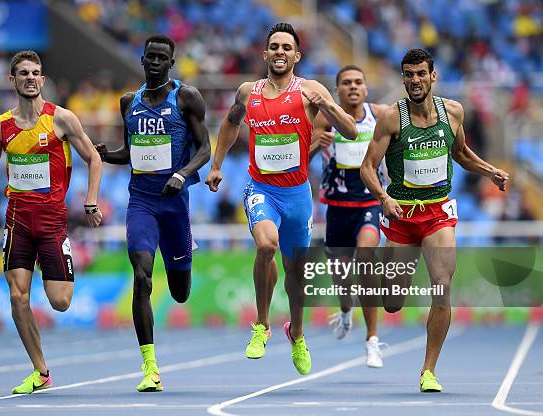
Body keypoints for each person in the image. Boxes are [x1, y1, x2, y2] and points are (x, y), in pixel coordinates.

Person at [205, 23, 357, 375]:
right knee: (265, 246)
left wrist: (327, 107)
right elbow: (229, 123)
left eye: (286, 47)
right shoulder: (248, 91)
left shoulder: (310, 90)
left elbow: (349, 129)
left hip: (298, 195)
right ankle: (261, 324)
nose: (279, 52)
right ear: (265, 53)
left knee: (296, 272)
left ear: (296, 56)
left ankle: (298, 334)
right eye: (274, 46)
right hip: (261, 189)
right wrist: (216, 165)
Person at [360, 48, 509, 392]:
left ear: (433, 76)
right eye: (408, 75)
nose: (414, 80)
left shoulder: (453, 112)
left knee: (442, 286)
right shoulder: (391, 118)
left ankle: (428, 370)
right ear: (403, 78)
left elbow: (459, 154)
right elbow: (367, 166)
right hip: (401, 215)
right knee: (393, 302)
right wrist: (384, 198)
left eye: (420, 74)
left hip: (437, 213)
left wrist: (489, 171)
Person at [0, 50, 103, 394]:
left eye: (36, 73)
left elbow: (94, 158)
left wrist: (90, 200)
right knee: (18, 298)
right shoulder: (1, 125)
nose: (30, 77)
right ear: (12, 80)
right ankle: (40, 371)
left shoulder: (62, 119)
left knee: (60, 301)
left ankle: (51, 263)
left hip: (53, 222)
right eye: (23, 73)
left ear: (43, 80)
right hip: (16, 221)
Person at [95, 34, 210, 392]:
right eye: (150, 57)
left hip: (175, 205)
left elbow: (206, 148)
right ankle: (150, 367)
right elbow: (130, 154)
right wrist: (103, 153)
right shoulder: (129, 102)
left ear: (171, 64)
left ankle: (182, 255)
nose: (155, 62)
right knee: (142, 276)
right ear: (142, 60)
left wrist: (182, 174)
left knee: (179, 292)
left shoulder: (186, 97)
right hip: (141, 203)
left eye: (162, 57)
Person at [310, 65, 389, 368]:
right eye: (346, 83)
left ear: (366, 89)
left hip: (370, 202)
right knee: (342, 278)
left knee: (366, 256)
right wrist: (319, 143)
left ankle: (372, 340)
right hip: (337, 207)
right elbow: (302, 161)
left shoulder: (380, 114)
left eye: (358, 82)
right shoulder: (324, 117)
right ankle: (345, 309)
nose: (353, 87)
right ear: (338, 89)